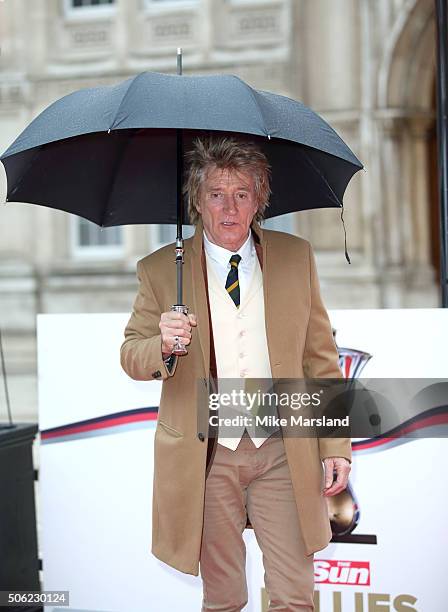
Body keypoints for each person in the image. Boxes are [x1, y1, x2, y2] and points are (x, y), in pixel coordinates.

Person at [120, 136, 351, 611]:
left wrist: (335, 444)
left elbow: (320, 359)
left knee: (294, 595)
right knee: (223, 598)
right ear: (197, 201)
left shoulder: (295, 256)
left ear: (259, 200)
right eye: (216, 195)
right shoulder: (163, 269)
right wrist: (162, 344)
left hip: (283, 450)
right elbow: (130, 354)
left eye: (242, 193)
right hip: (206, 458)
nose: (229, 207)